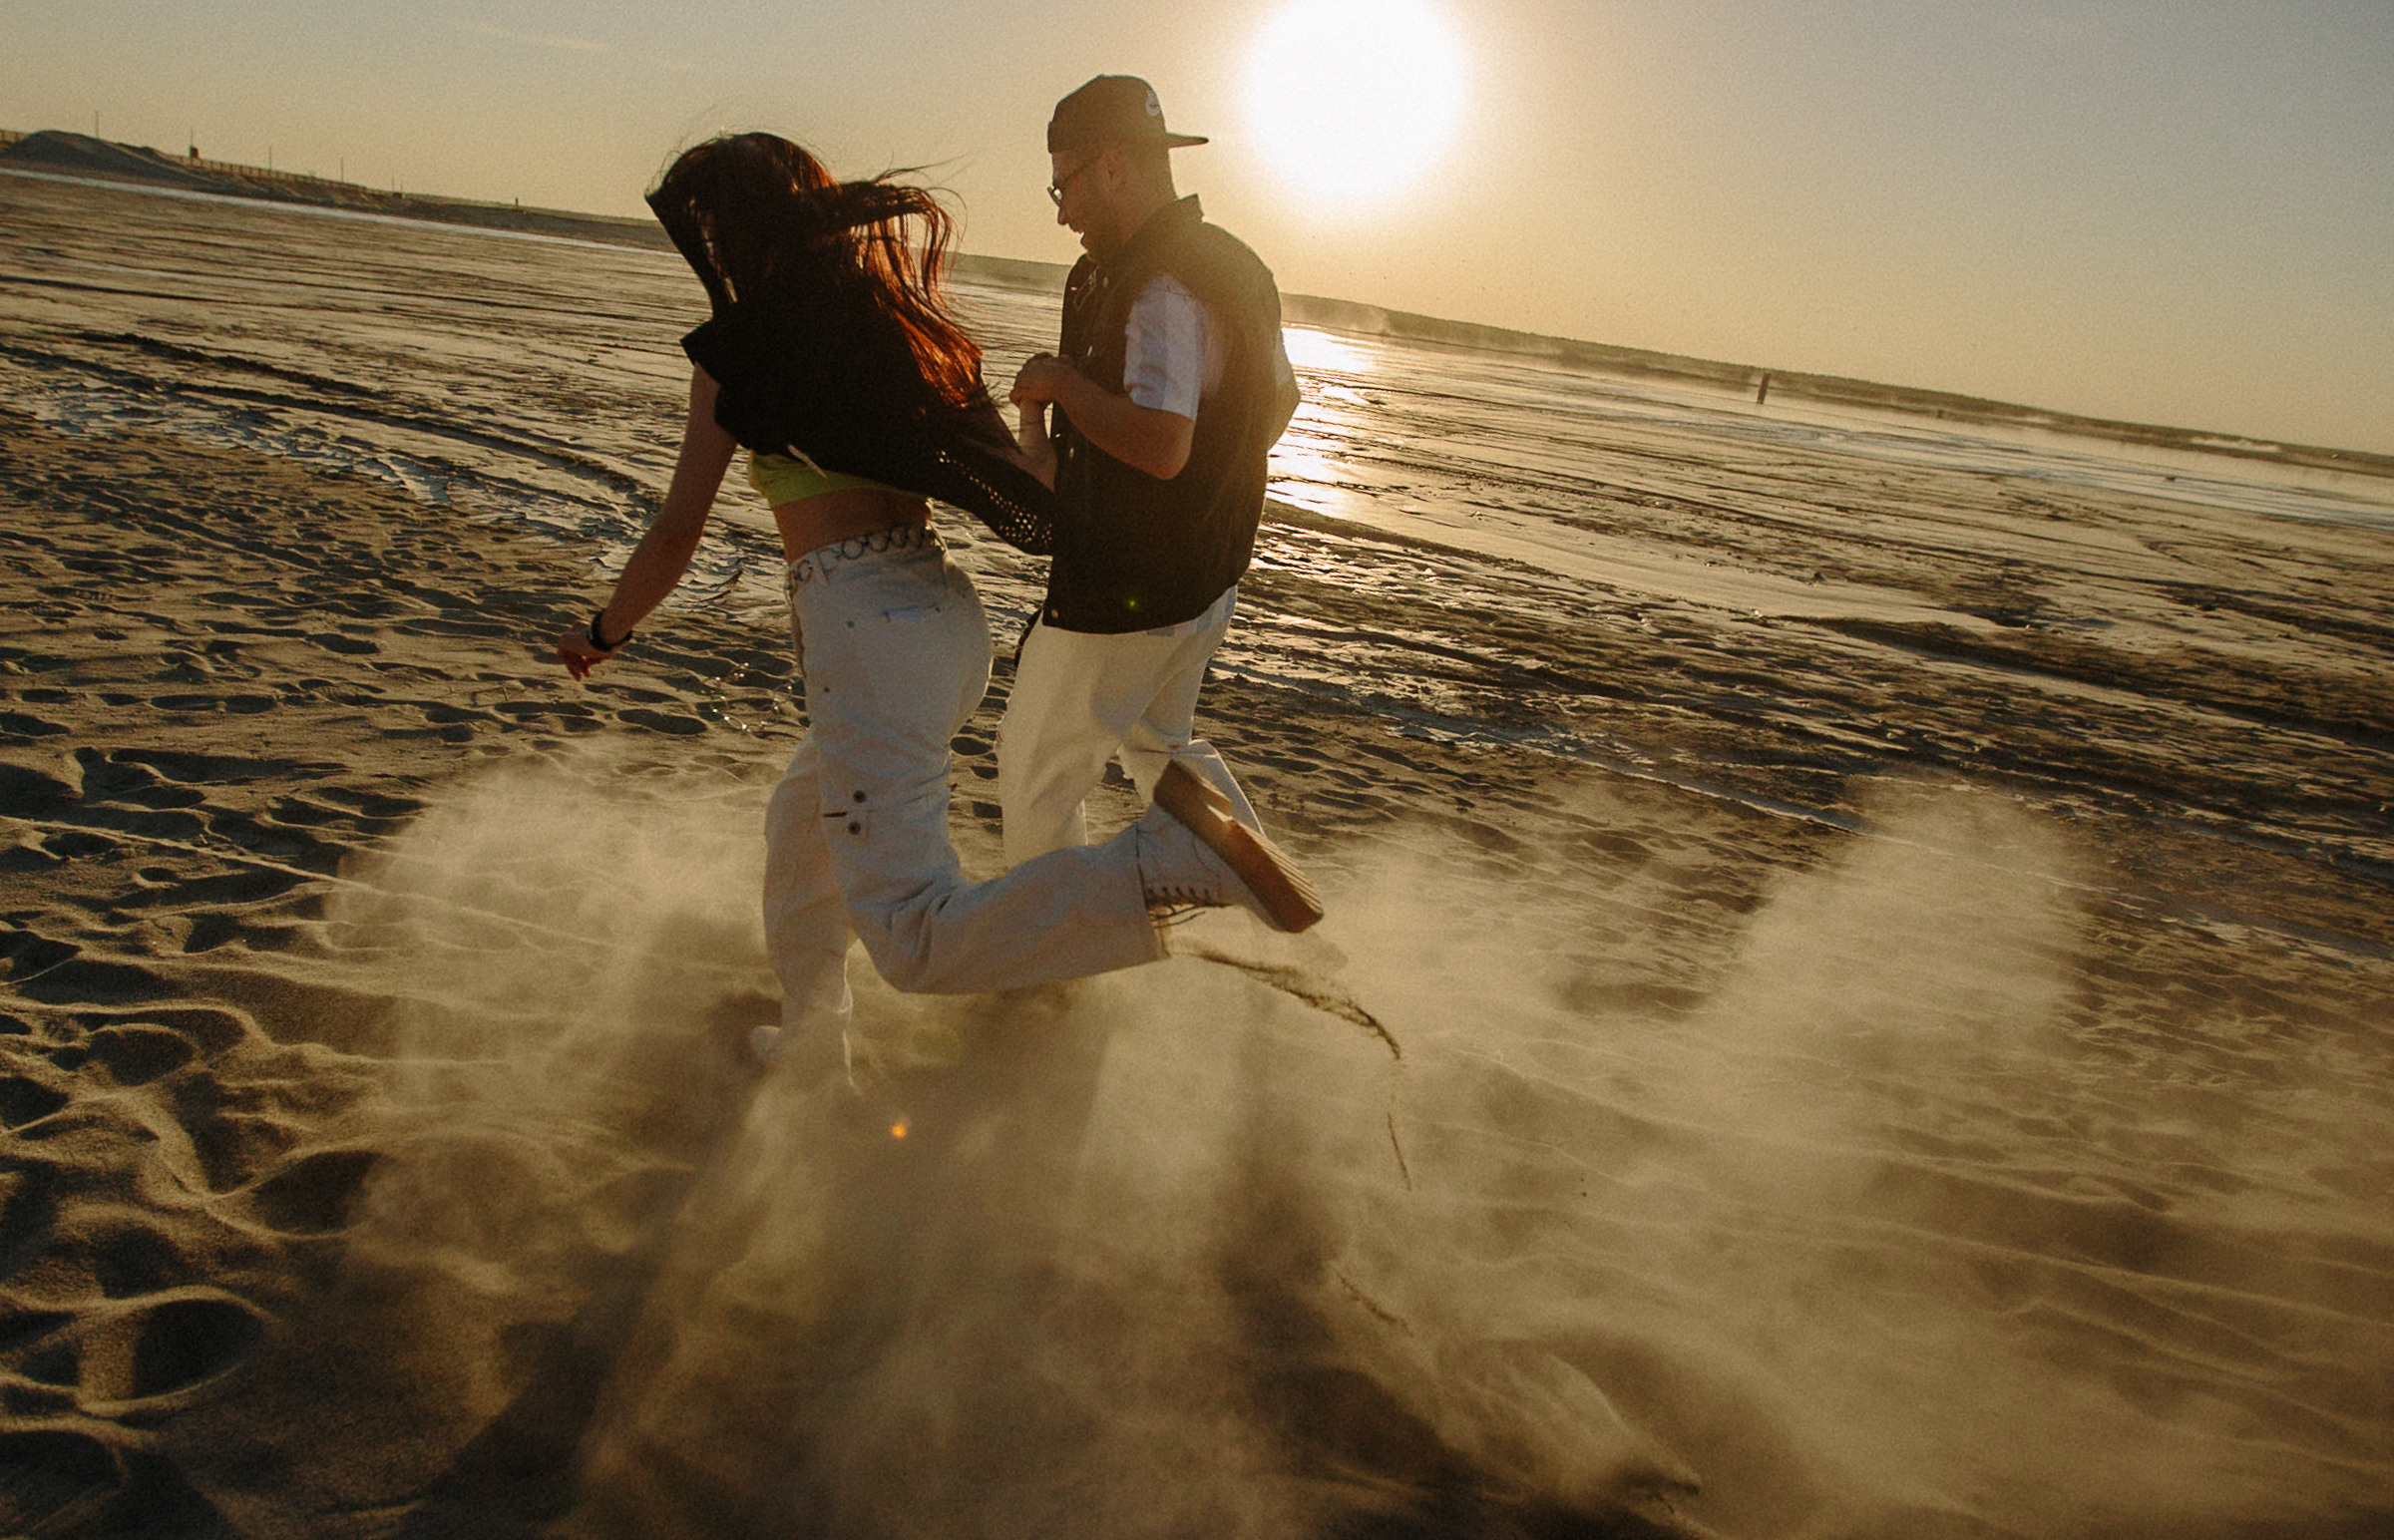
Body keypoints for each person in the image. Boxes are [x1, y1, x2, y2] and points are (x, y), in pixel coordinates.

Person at [552, 134, 1320, 1068]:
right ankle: (808, 1039)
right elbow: (1029, 496)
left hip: (868, 638)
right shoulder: (897, 328)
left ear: (731, 236)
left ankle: (1164, 866)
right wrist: (1050, 423)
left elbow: (677, 531)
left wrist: (604, 629)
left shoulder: (738, 358)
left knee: (912, 936)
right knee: (804, 826)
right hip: (947, 622)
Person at [1001, 76, 1303, 882]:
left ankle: (1048, 974)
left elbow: (1164, 446)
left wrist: (1064, 386)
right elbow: (1280, 400)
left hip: (1122, 592)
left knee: (1034, 772)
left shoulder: (1156, 284)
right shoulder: (1234, 264)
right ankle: (1271, 901)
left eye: (1063, 184)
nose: (1060, 209)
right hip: (1205, 582)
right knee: (1159, 745)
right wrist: (1205, 499)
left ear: (1111, 167)